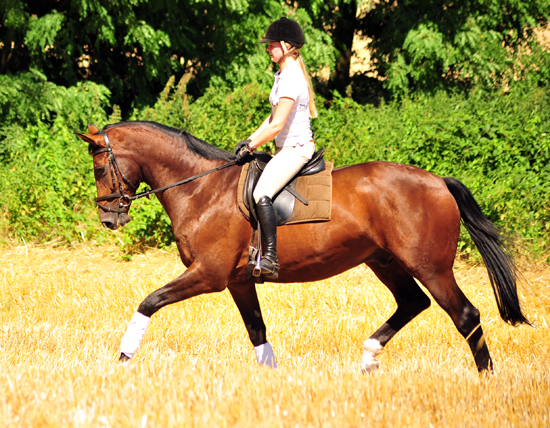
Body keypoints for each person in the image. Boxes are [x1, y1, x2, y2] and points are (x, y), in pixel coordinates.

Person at [235, 17, 318, 279]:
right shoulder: (283, 73)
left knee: (261, 193)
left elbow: (278, 124)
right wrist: (249, 139)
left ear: (286, 45)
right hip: (285, 148)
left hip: (296, 149)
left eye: (271, 44)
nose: (267, 48)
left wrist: (253, 145)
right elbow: (271, 118)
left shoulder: (292, 76)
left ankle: (270, 257)